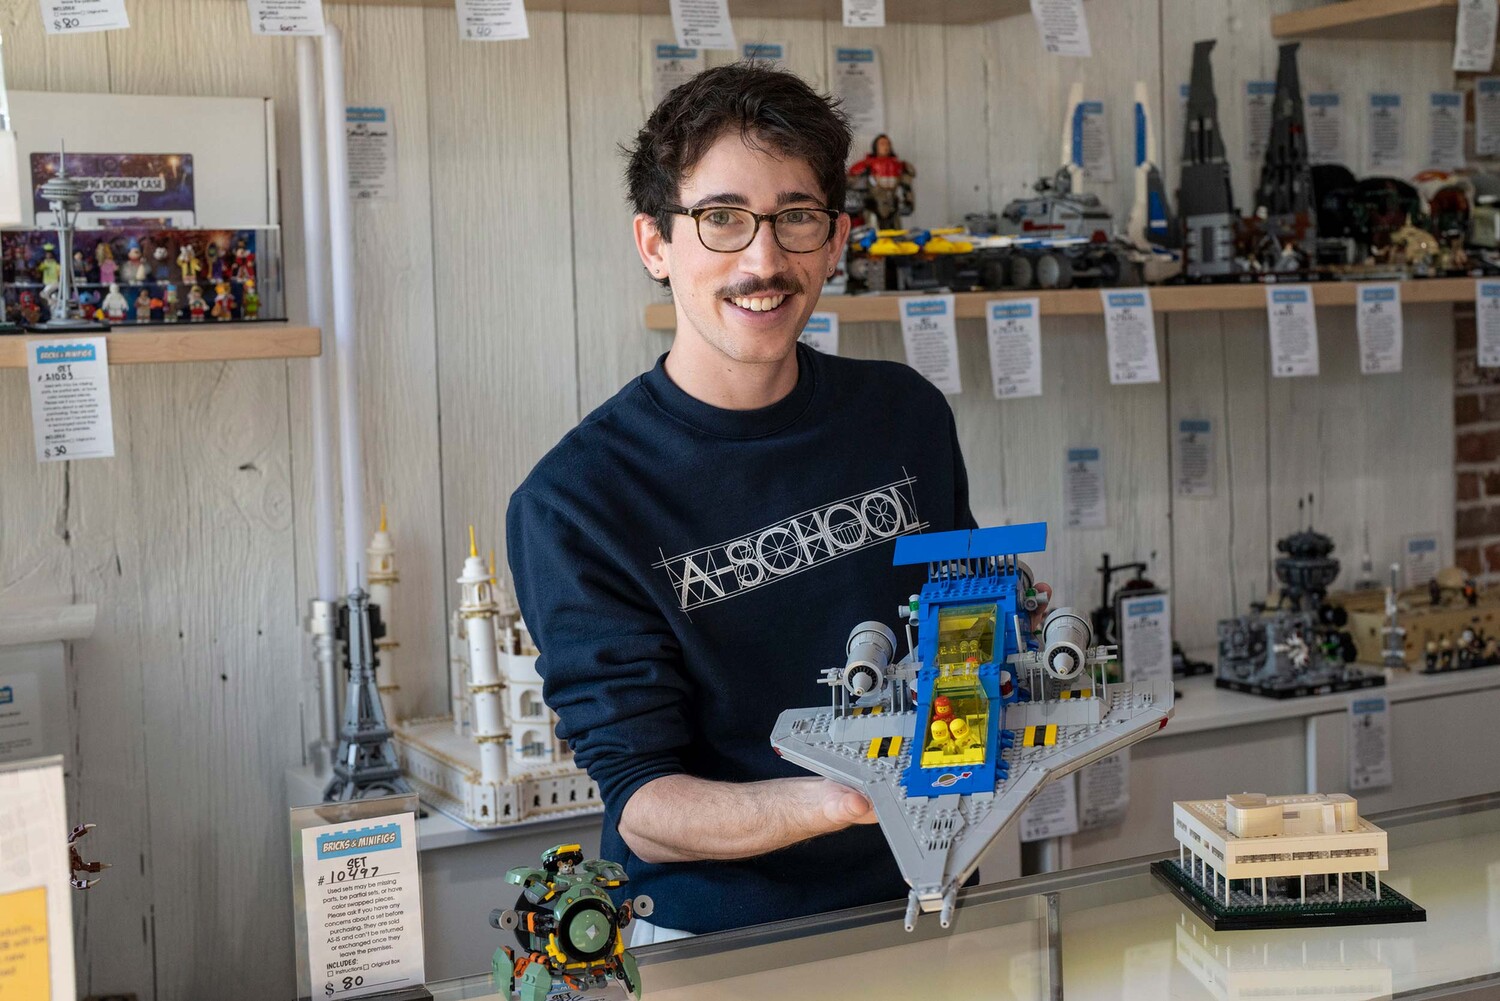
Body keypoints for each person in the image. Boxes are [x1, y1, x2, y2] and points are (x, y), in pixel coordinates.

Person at [505, 64, 978, 942]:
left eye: (795, 217)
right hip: (717, 943)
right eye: (721, 219)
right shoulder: (576, 502)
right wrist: (842, 799)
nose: (763, 261)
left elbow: (958, 633)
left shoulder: (905, 414)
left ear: (836, 238)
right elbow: (645, 804)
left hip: (931, 903)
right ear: (654, 243)